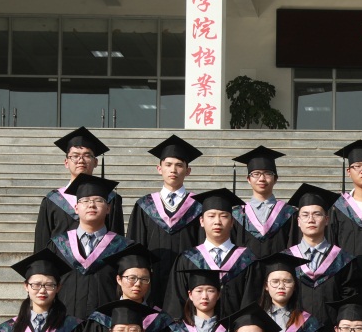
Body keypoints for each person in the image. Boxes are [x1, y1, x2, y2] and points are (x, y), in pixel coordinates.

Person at [126, 134, 205, 306]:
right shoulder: (145, 205)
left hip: (187, 280)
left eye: (179, 165)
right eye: (168, 165)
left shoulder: (198, 206)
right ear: (159, 168)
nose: (173, 170)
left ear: (188, 171)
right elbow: (135, 245)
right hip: (151, 283)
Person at [164, 188, 261, 318]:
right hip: (196, 329)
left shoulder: (247, 259)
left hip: (236, 329)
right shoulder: (187, 259)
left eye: (224, 216)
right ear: (201, 221)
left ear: (232, 222)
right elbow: (176, 304)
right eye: (211, 216)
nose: (217, 222)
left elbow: (251, 303)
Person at [48, 174, 131, 320]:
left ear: (108, 208)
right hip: (65, 324)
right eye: (85, 201)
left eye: (98, 200)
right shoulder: (59, 245)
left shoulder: (123, 247)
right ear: (76, 208)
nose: (91, 205)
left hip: (107, 324)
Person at [33, 127, 123, 250]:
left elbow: (117, 241)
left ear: (96, 162)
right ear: (66, 162)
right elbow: (42, 243)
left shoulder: (110, 199)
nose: (81, 160)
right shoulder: (53, 200)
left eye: (87, 155)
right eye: (75, 156)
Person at [286, 184, 357, 328]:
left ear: (327, 220)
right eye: (305, 215)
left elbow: (349, 302)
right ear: (298, 221)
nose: (311, 220)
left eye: (317, 214)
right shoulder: (286, 258)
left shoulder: (343, 259)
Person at [231, 145, 297, 259]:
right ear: (248, 179)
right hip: (246, 269)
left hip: (280, 269)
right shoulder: (238, 214)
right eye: (256, 174)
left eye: (267, 173)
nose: (261, 179)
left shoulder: (288, 212)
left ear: (275, 179)